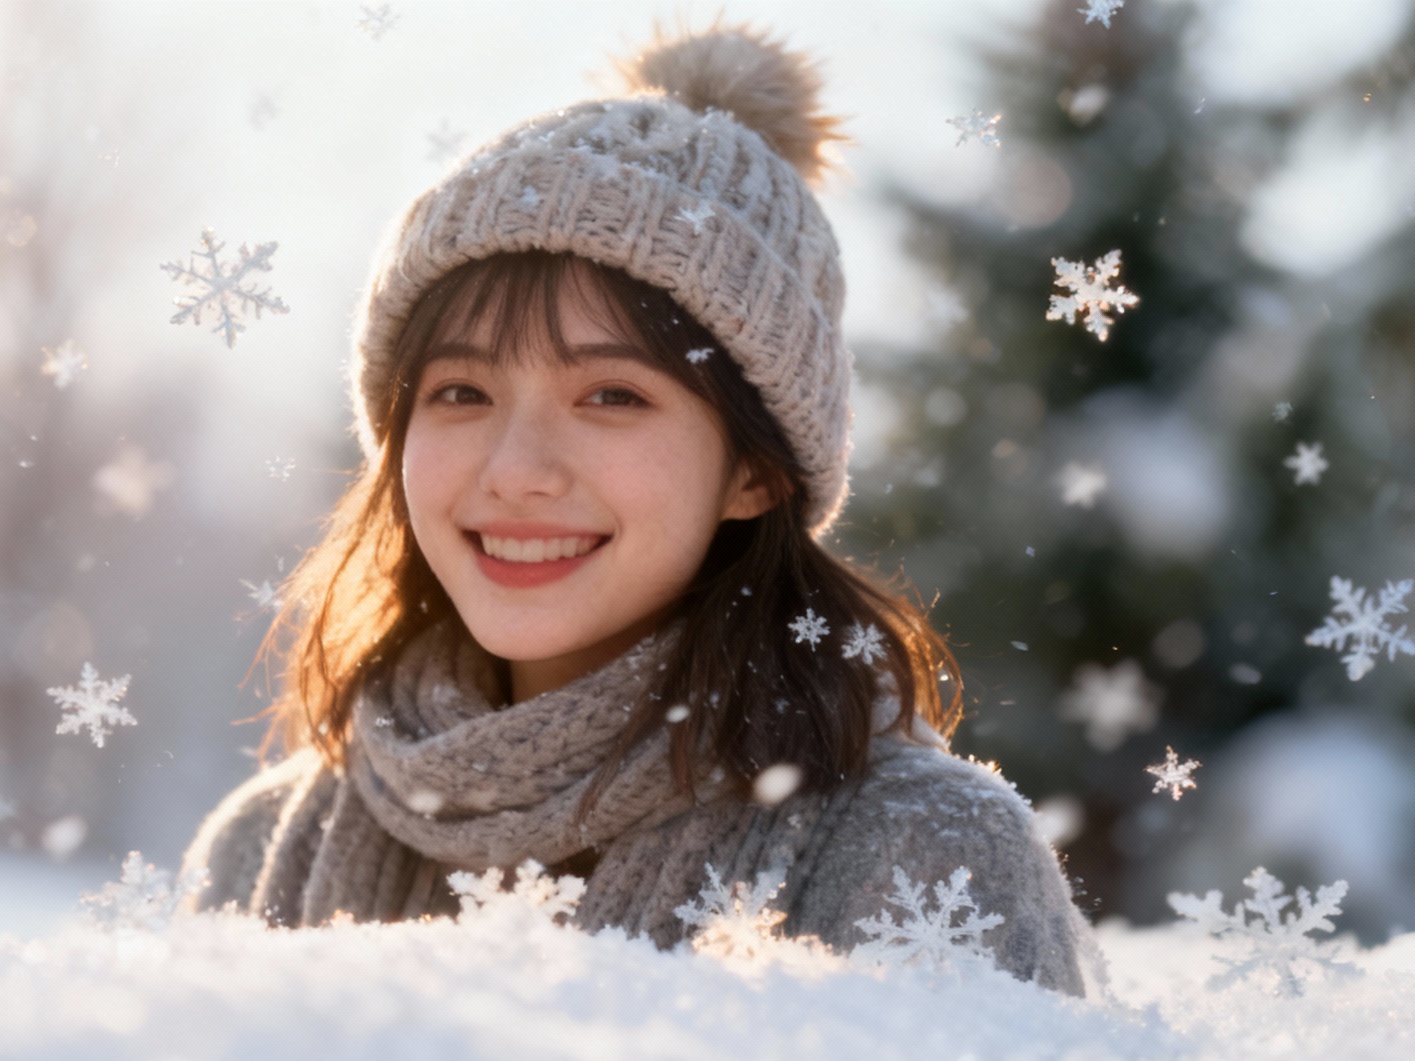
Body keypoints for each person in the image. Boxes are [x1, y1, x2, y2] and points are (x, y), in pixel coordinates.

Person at [181, 23, 1099, 995]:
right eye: (460, 393)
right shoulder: (263, 849)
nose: (515, 471)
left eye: (611, 396)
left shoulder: (917, 850)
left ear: (755, 468)